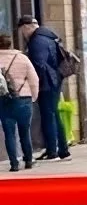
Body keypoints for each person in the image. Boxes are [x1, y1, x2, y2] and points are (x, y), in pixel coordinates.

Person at [18, 17, 68, 162]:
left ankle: (53, 151)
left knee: (48, 116)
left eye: (22, 31)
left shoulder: (36, 41)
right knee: (54, 114)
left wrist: (34, 82)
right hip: (54, 79)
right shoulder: (47, 36)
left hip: (46, 83)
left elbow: (39, 64)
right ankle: (63, 150)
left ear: (26, 27)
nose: (22, 34)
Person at [0, 33, 41, 172]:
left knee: (9, 133)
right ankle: (28, 160)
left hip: (4, 100)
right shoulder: (22, 58)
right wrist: (34, 96)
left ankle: (14, 164)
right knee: (25, 132)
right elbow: (34, 79)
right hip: (24, 99)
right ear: (10, 44)